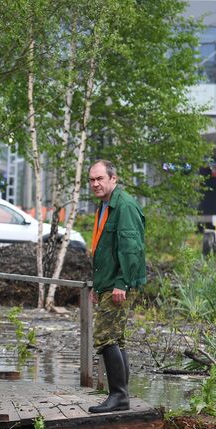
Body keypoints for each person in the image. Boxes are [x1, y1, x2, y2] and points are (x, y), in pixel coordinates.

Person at [87, 160, 146, 413]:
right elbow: (104, 249)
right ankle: (120, 395)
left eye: (99, 178)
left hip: (119, 284)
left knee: (104, 336)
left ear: (113, 179)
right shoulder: (105, 206)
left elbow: (132, 249)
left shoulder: (125, 206)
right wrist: (96, 286)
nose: (95, 184)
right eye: (91, 180)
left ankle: (118, 396)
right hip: (107, 283)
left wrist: (122, 282)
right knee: (117, 339)